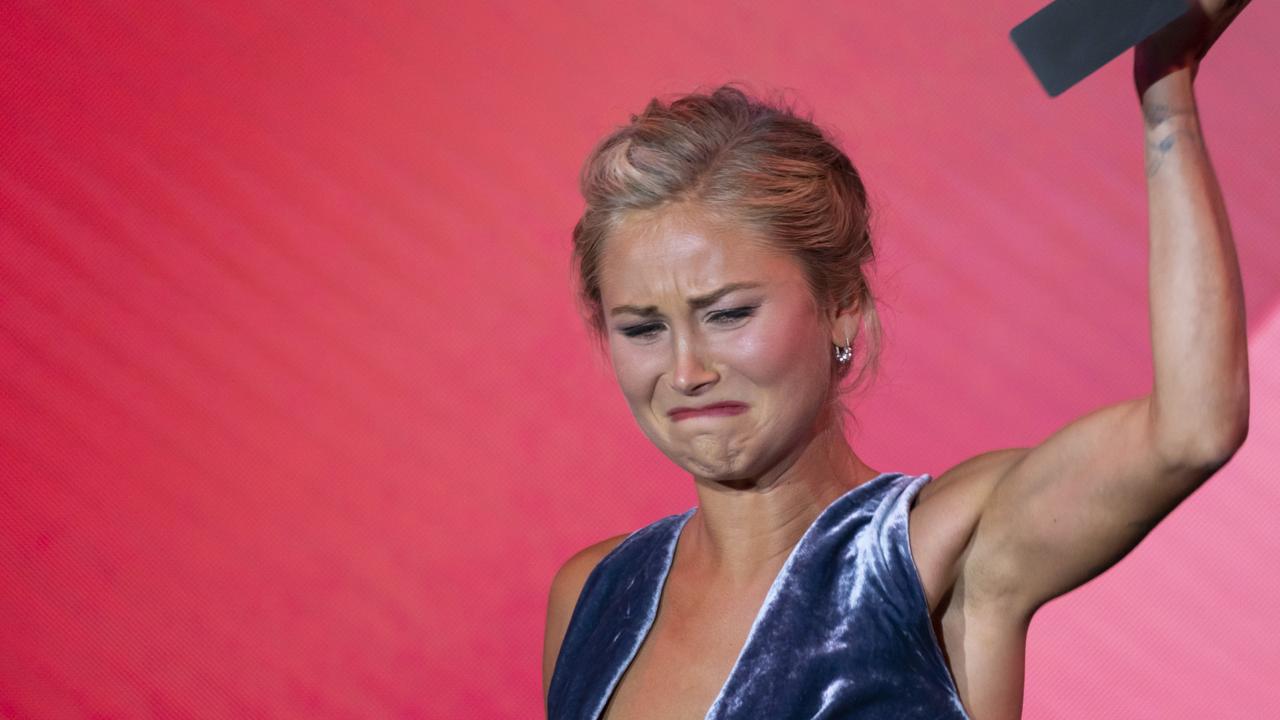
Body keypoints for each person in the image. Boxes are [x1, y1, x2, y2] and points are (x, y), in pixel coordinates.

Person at [543, 2, 1252, 718]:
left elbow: (1191, 431)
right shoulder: (593, 595)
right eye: (642, 329)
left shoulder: (939, 547)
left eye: (728, 315)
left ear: (842, 304)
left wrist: (1168, 104)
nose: (687, 372)